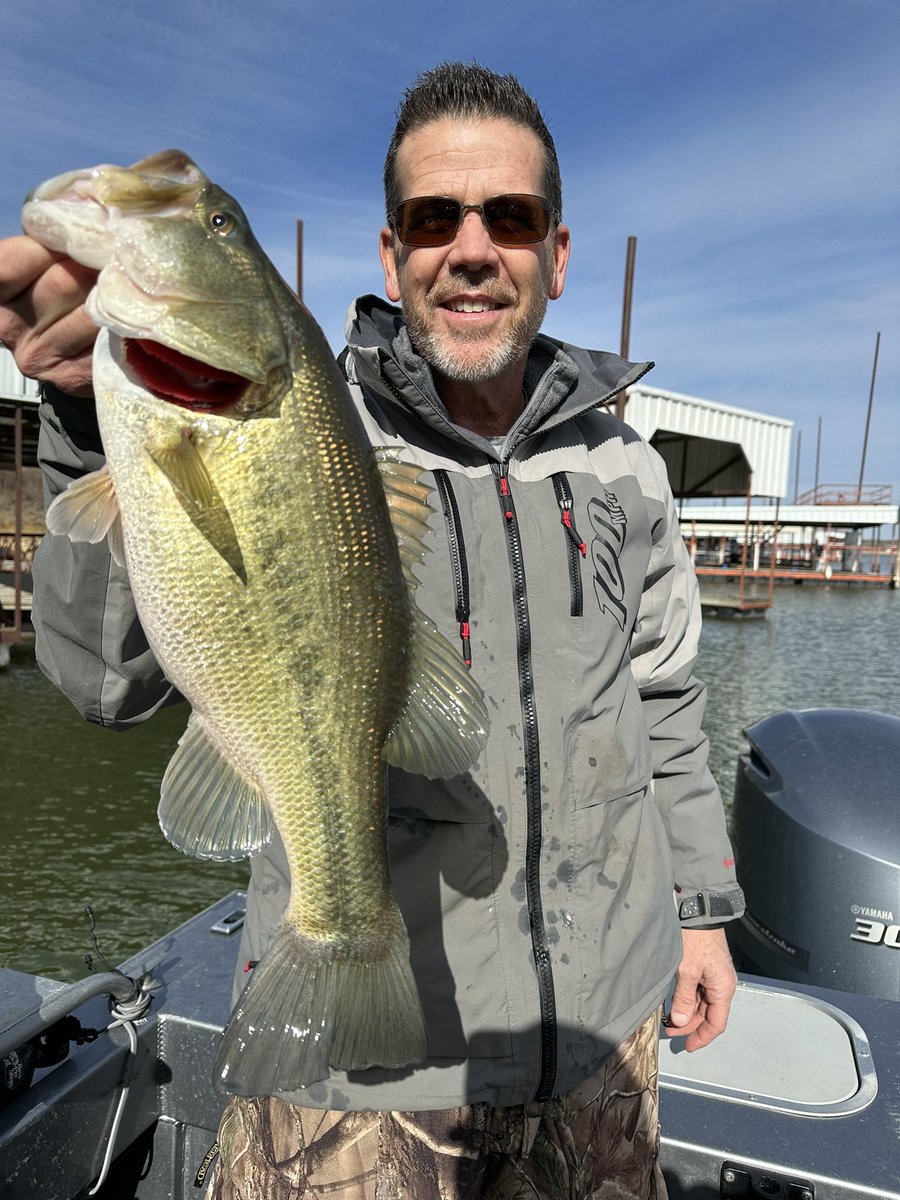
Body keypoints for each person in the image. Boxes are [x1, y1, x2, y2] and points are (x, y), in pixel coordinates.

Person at [0, 63, 743, 1199]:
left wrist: (701, 915)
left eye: (513, 216)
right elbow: (105, 685)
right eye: (434, 218)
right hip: (364, 1063)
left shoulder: (627, 465)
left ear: (557, 251)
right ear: (393, 256)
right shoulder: (316, 425)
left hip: (605, 1036)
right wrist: (84, 424)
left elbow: (665, 700)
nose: (474, 247)